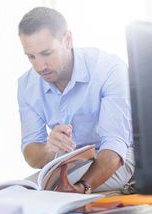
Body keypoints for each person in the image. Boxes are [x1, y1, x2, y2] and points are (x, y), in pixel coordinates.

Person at [17, 7, 134, 193]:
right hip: (73, 162)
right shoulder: (26, 85)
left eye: (47, 53)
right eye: (31, 57)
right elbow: (31, 153)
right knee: (18, 191)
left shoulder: (109, 69)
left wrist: (82, 187)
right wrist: (48, 148)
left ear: (68, 40)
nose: (39, 67)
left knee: (50, 191)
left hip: (122, 155)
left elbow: (114, 145)